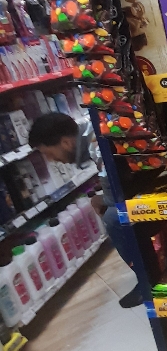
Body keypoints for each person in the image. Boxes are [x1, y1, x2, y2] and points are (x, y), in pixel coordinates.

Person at [28, 112, 143, 308]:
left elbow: (114, 196)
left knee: (113, 217)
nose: (51, 160)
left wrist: (101, 200)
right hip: (147, 177)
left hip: (158, 180)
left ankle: (147, 280)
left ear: (65, 142)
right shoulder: (92, 134)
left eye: (48, 153)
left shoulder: (96, 144)